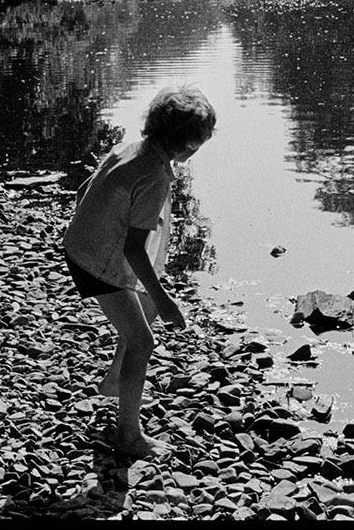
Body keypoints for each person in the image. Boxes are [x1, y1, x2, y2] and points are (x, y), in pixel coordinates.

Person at [62, 86, 217, 458]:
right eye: (199, 143)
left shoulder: (129, 148)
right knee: (144, 340)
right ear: (187, 145)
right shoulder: (154, 177)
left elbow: (86, 189)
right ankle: (128, 435)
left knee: (141, 307)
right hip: (96, 261)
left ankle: (117, 378)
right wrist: (166, 300)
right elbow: (133, 248)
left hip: (84, 242)